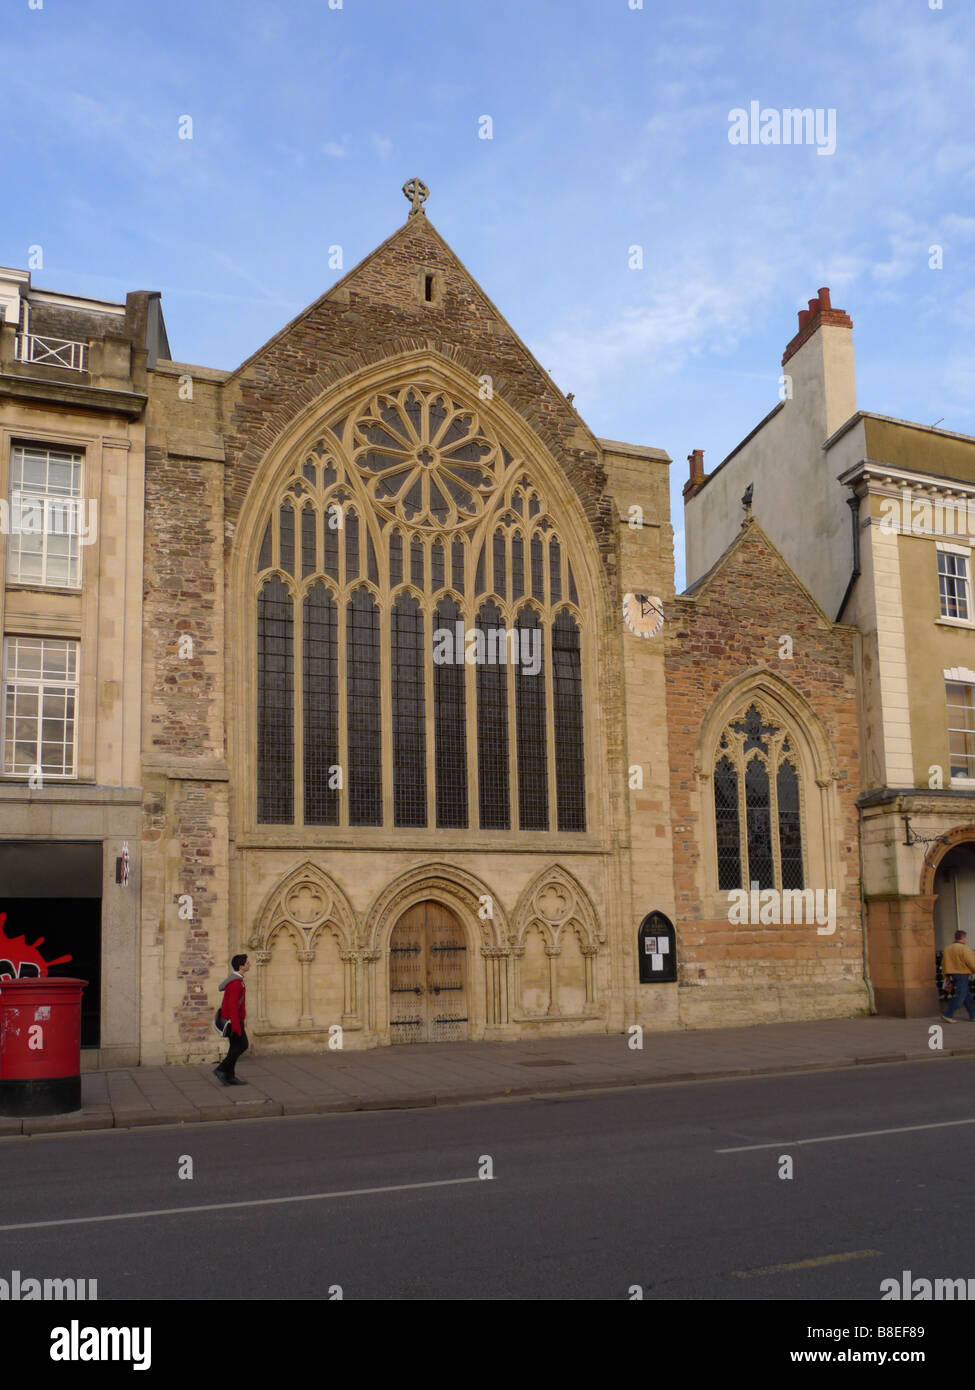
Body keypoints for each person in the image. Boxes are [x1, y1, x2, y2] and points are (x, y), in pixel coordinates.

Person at [214, 954, 251, 1084]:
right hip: (233, 1021)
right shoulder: (235, 983)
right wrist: (236, 1026)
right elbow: (232, 1006)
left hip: (235, 1020)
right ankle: (221, 1069)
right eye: (247, 963)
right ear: (241, 966)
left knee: (234, 1047)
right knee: (243, 1045)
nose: (249, 964)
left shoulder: (237, 980)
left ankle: (229, 1076)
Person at [941, 930, 975, 1022]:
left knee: (967, 996)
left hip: (953, 974)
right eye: (965, 938)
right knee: (961, 995)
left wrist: (946, 976)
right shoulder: (964, 949)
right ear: (963, 938)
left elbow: (944, 964)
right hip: (962, 974)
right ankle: (947, 1014)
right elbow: (972, 962)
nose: (966, 939)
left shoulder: (948, 949)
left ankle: (973, 1015)